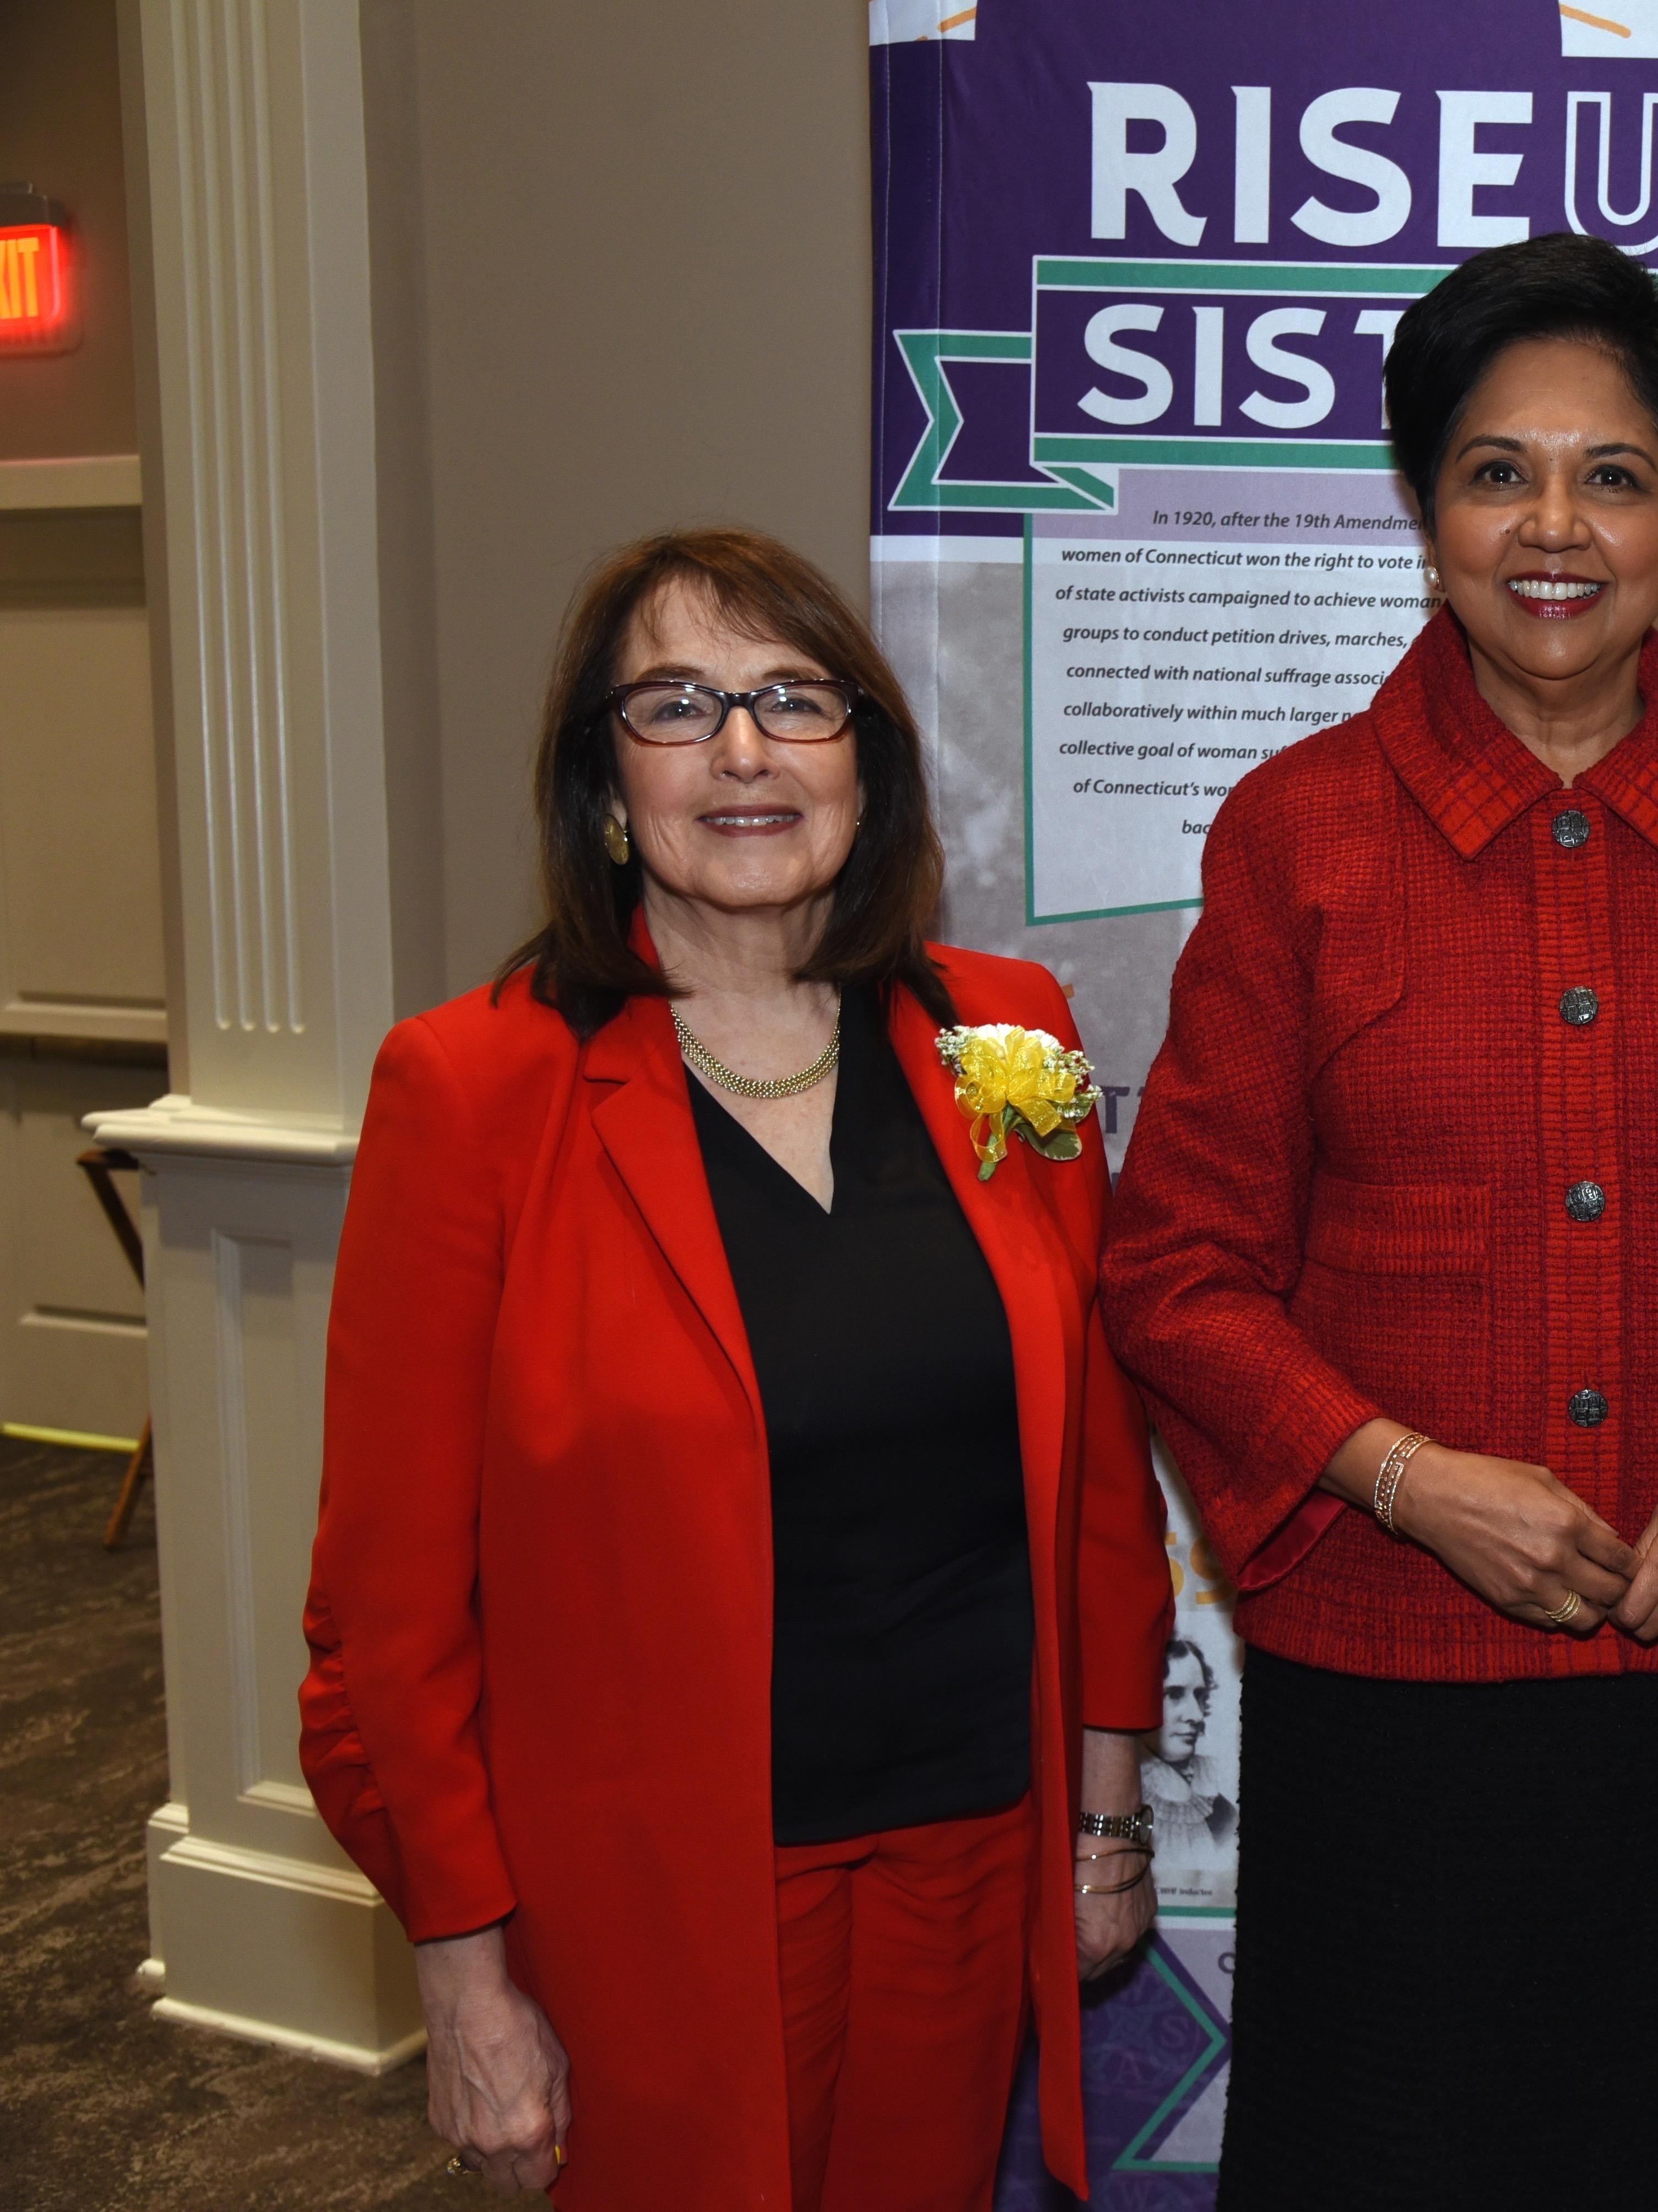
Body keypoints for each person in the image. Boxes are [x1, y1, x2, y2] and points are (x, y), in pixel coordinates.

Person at [1101, 232, 1658, 2209]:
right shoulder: (1298, 833)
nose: (1552, 525)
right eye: (1497, 471)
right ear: (1422, 508)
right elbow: (1174, 1265)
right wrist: (1407, 1479)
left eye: (1613, 473)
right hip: (1384, 1688)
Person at [296, 528, 1176, 2211]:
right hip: (655, 1894)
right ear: (605, 781)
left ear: (870, 757)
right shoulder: (474, 1087)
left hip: (970, 1848)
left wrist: (1104, 1814)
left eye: (794, 698)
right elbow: (385, 1614)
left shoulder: (1011, 1034)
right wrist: (464, 1972)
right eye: (678, 704)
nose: (746, 750)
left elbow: (1094, 1475)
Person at [1143, 1638, 1237, 1859]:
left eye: (1200, 1697)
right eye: (1175, 1695)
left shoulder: (1217, 1785)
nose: (1196, 1715)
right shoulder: (1116, 1790)